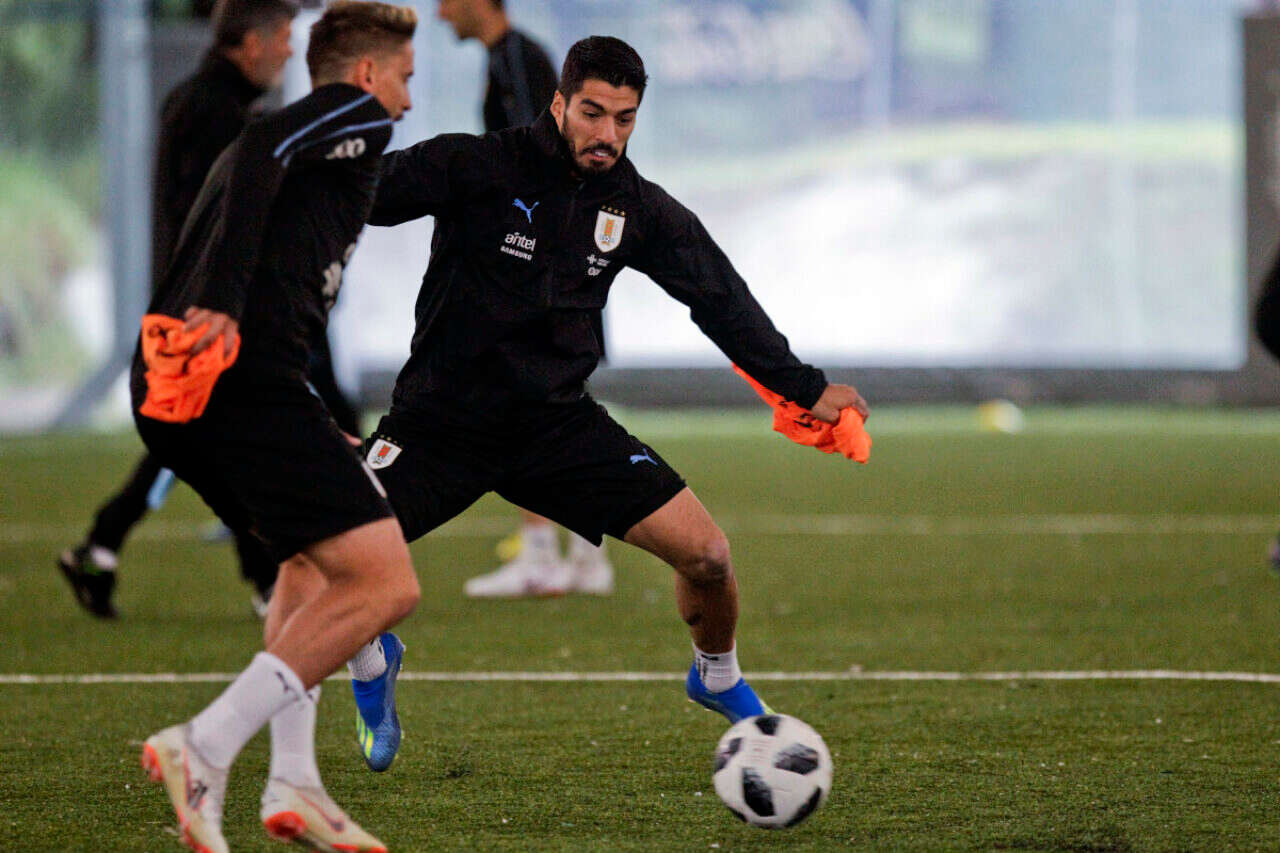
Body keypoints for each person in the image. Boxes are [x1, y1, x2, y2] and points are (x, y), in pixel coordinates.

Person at [348, 35, 867, 771]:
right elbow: (355, 195)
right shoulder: (475, 164)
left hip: (555, 427)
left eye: (625, 119)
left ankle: (716, 675)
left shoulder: (635, 205)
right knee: (329, 550)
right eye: (593, 113)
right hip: (438, 423)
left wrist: (806, 387)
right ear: (559, 103)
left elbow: (718, 296)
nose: (608, 135)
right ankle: (371, 663)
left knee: (709, 556)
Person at [135, 4, 419, 851]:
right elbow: (266, 144)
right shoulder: (353, 115)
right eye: (403, 78)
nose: (405, 101)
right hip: (239, 382)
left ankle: (294, 779)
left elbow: (259, 183)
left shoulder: (296, 155)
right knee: (386, 584)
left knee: (306, 561)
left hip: (192, 386)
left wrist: (305, 416)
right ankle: (205, 744)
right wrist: (224, 305)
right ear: (365, 74)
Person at [57, 0, 327, 620]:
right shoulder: (218, 113)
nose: (290, 50)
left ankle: (103, 543)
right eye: (284, 37)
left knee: (192, 430)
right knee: (214, 433)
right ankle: (268, 580)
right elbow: (216, 221)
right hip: (207, 307)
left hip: (201, 300)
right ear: (252, 43)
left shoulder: (207, 102)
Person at [436, 0, 615, 598]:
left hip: (540, 270)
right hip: (554, 263)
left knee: (523, 403)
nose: (439, 13)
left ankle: (545, 554)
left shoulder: (516, 58)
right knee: (551, 407)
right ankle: (585, 555)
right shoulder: (515, 57)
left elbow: (535, 163)